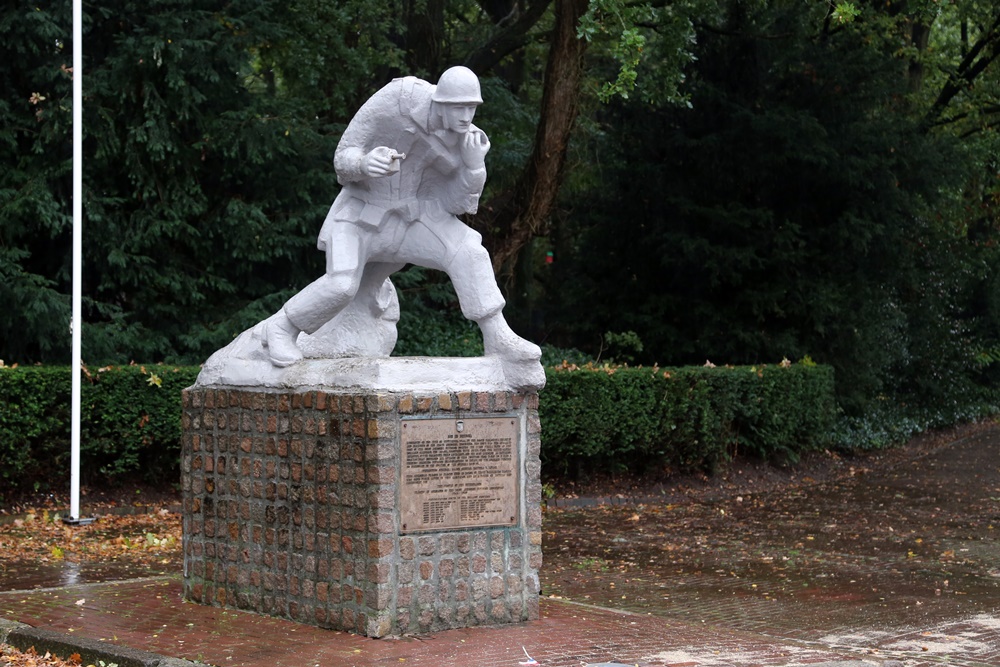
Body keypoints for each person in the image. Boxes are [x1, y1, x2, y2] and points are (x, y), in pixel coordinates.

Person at [256, 66, 542, 388]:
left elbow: (457, 204)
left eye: (472, 107)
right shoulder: (398, 98)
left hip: (410, 219)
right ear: (440, 100)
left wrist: (475, 166)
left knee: (468, 251)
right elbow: (342, 158)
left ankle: (498, 337)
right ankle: (281, 327)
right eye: (458, 107)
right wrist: (365, 163)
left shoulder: (466, 139)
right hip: (360, 215)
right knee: (341, 285)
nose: (466, 116)